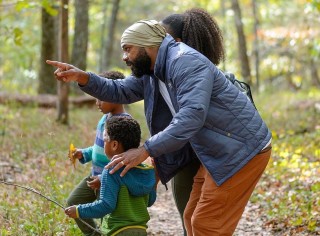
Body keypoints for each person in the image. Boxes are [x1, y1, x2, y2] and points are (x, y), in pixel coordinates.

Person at [47, 19, 272, 235]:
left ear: (148, 46)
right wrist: (83, 77)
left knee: (207, 224)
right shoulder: (153, 71)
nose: (125, 57)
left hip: (241, 148)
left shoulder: (185, 61)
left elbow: (191, 116)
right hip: (217, 149)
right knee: (191, 216)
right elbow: (119, 90)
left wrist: (145, 150)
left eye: (128, 49)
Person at [159, 8, 225, 235]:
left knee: (195, 219)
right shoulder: (167, 72)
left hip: (196, 153)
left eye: (162, 38)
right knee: (196, 219)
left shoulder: (185, 70)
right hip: (204, 152)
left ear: (176, 42)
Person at [65, 116, 156, 236]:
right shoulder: (147, 170)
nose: (103, 143)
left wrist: (78, 210)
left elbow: (106, 205)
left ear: (114, 145)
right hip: (140, 230)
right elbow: (150, 201)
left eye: (104, 139)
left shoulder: (111, 171)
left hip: (118, 231)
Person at [66, 71, 131, 235]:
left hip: (111, 181)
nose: (97, 102)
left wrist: (104, 178)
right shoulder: (105, 118)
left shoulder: (124, 123)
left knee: (107, 218)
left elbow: (125, 159)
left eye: (101, 98)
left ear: (116, 95)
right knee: (74, 201)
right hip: (93, 176)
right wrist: (84, 154)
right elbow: (100, 148)